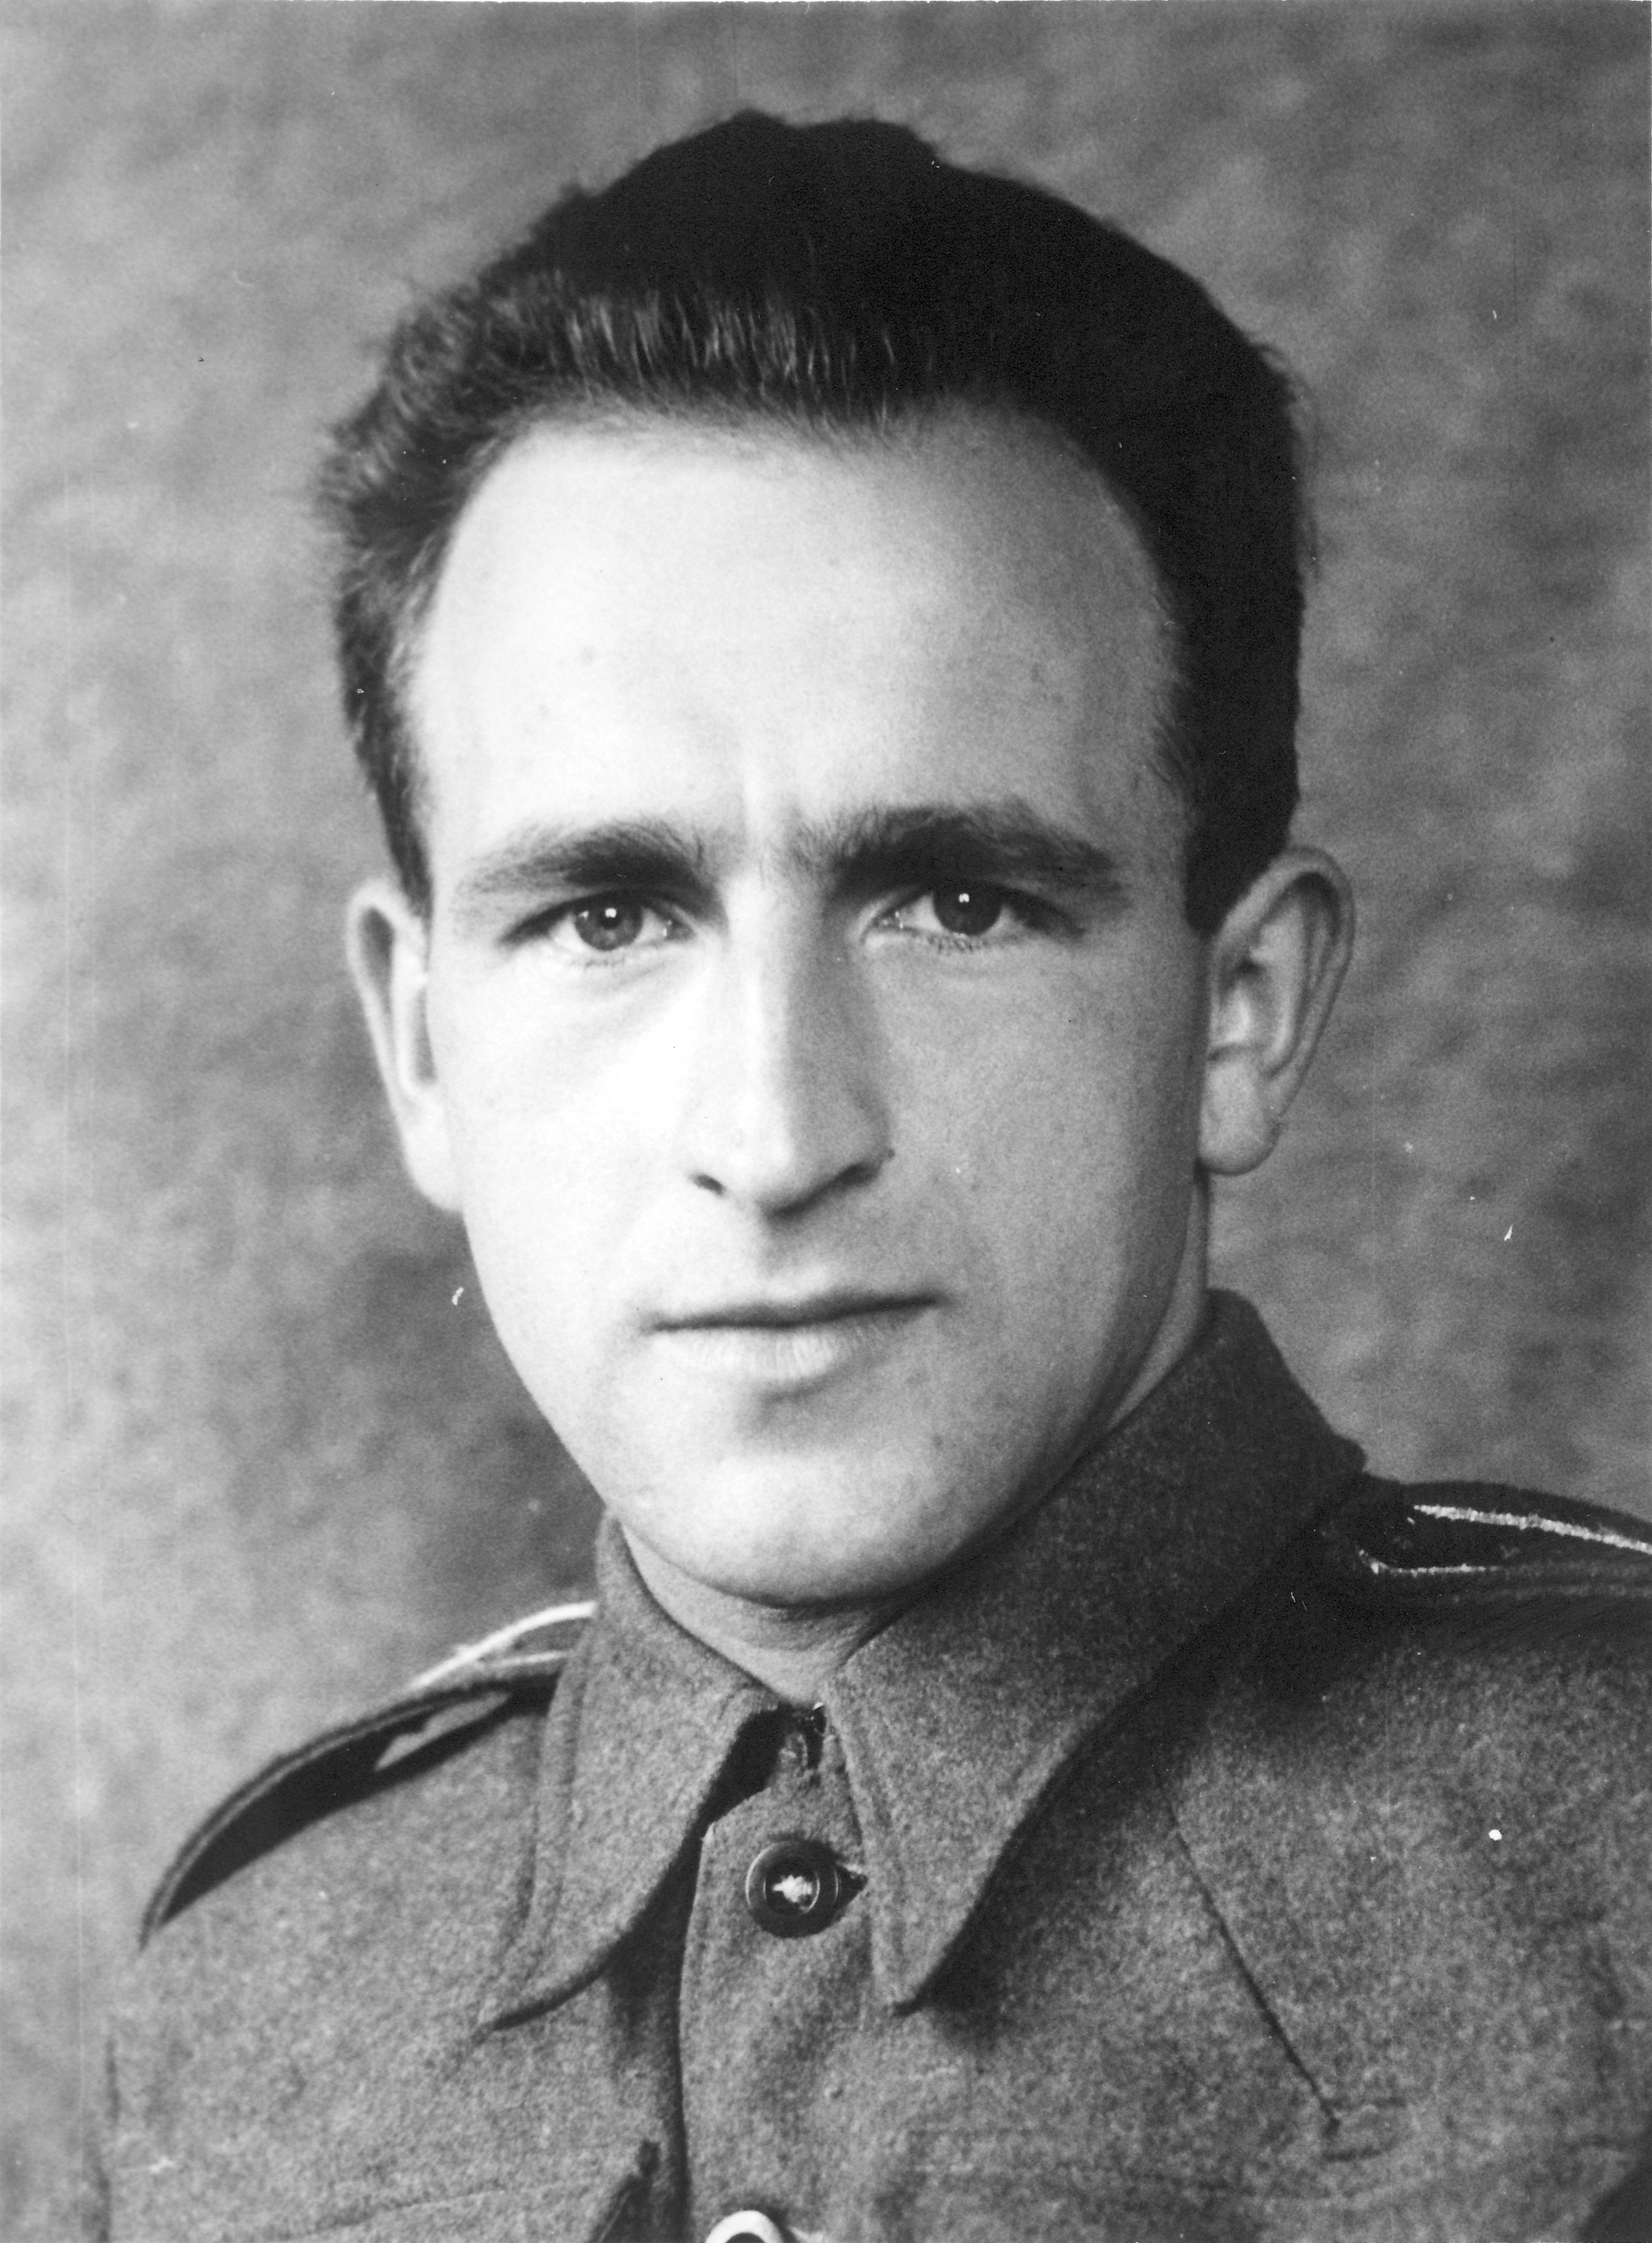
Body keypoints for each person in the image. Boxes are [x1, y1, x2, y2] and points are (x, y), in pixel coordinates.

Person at [98, 113, 1650, 2243]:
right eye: (607, 916)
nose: (773, 1136)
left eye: (955, 903)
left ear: (1237, 1012)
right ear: (422, 1041)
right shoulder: (243, 2013)